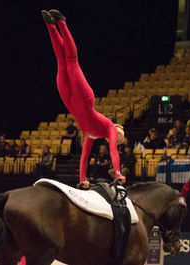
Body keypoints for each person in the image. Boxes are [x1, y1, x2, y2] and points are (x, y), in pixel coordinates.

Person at [42, 9, 125, 189]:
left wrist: (82, 179)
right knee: (71, 60)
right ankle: (62, 22)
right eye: (119, 138)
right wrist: (117, 172)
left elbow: (84, 158)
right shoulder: (110, 128)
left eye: (118, 140)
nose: (117, 141)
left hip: (70, 102)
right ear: (118, 132)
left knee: (61, 61)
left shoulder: (91, 135)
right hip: (86, 100)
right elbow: (113, 151)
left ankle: (50, 25)